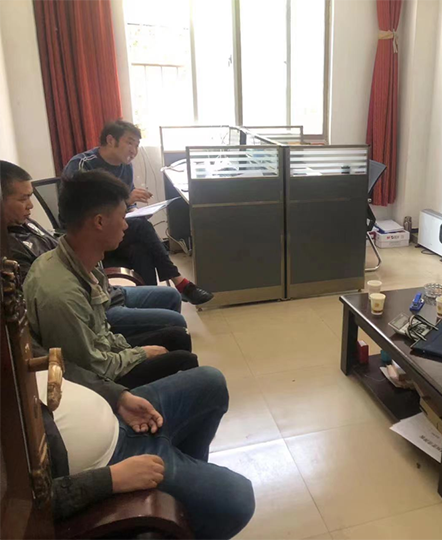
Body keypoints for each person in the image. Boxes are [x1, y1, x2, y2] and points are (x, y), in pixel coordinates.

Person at [37, 349, 255, 540]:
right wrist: (109, 479)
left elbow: (65, 368)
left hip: (116, 412)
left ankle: (187, 491)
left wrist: (118, 397)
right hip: (109, 462)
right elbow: (31, 503)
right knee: (238, 500)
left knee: (211, 381)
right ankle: (188, 500)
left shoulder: (20, 345)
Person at [24, 171, 198, 388]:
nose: (126, 226)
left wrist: (132, 350)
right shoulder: (61, 295)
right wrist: (140, 354)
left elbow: (102, 334)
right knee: (190, 365)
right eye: (123, 217)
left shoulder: (82, 257)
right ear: (99, 221)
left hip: (101, 352)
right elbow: (92, 368)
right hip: (95, 381)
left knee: (177, 337)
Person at [0, 160, 187, 338]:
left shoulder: (25, 224)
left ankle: (162, 340)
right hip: (90, 305)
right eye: (23, 199)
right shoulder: (9, 252)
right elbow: (44, 305)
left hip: (100, 289)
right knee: (175, 323)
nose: (31, 205)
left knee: (162, 282)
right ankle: (173, 294)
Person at [63, 120, 213, 305]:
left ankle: (151, 304)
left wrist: (135, 211)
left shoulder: (125, 167)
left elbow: (127, 205)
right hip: (88, 233)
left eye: (137, 145)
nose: (134, 150)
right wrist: (126, 201)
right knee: (142, 228)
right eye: (130, 143)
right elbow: (80, 208)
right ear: (111, 140)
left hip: (115, 231)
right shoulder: (82, 164)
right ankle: (180, 283)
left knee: (141, 250)